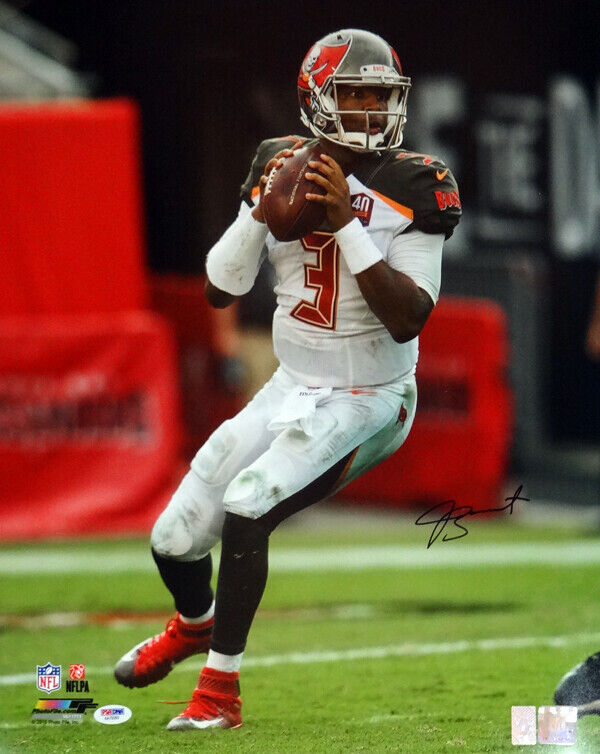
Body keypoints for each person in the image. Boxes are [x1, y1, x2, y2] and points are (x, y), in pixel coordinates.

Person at [114, 28, 461, 731]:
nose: (372, 109)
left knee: (250, 502)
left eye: (382, 96)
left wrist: (345, 224)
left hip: (373, 396)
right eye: (355, 94)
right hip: (292, 385)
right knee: (173, 538)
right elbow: (220, 289)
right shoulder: (280, 162)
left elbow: (408, 320)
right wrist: (258, 208)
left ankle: (220, 693)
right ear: (318, 99)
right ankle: (195, 625)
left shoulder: (416, 183)